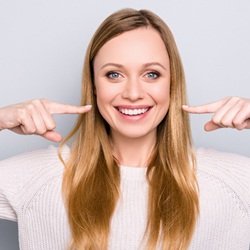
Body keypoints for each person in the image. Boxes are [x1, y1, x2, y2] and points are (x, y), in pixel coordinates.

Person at [0, 8, 249, 250]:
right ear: (94, 84)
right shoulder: (38, 179)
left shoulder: (234, 182)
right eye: (114, 74)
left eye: (151, 74)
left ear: (172, 83)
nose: (133, 94)